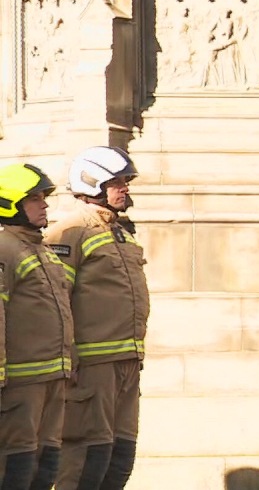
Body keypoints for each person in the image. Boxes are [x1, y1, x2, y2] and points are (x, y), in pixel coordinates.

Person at [44, 147, 146, 490]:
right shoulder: (69, 233)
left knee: (119, 461)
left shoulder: (118, 232)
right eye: (117, 182)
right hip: (90, 368)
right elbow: (55, 300)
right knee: (86, 460)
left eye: (125, 182)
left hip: (127, 365)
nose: (125, 189)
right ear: (93, 183)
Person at [0, 164, 73, 490]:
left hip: (52, 378)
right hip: (20, 383)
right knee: (16, 466)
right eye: (35, 199)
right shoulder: (5, 249)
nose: (44, 204)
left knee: (45, 468)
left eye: (44, 197)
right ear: (11, 204)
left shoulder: (41, 249)